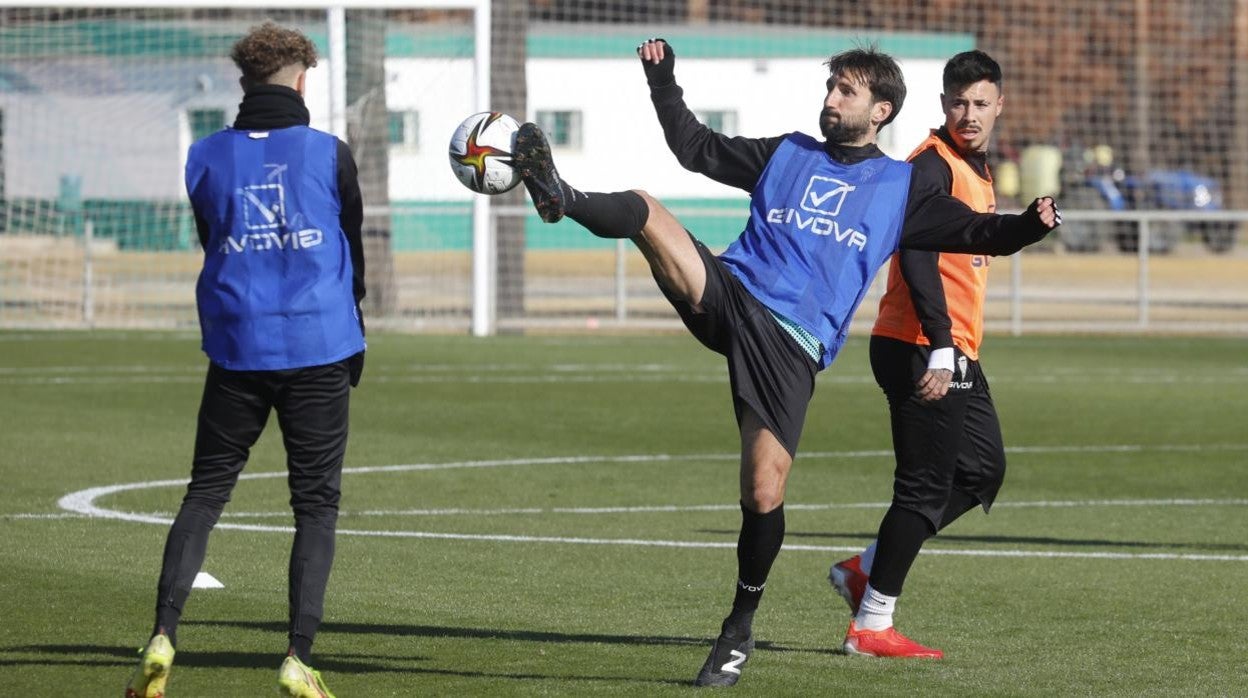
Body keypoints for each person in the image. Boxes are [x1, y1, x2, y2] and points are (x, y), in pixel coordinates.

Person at [510, 39, 1059, 688]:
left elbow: (977, 232)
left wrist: (1028, 224)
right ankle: (561, 197)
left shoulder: (899, 186)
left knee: (763, 492)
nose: (830, 100)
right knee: (644, 208)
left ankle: (738, 625)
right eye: (830, 89)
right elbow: (696, 148)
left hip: (791, 346)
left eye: (845, 92)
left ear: (881, 110)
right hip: (731, 296)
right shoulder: (787, 153)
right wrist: (663, 81)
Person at [125, 22, 364, 698]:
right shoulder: (329, 153)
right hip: (319, 344)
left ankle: (163, 636)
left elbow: (215, 238)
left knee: (206, 490)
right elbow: (354, 249)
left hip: (237, 344)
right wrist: (357, 329)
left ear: (242, 81)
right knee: (314, 504)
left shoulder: (204, 155)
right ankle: (296, 657)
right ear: (303, 79)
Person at [827, 49, 1009, 660]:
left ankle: (864, 571)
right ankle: (871, 623)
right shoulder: (932, 166)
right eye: (959, 102)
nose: (969, 113)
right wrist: (938, 346)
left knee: (981, 472)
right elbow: (914, 254)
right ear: (942, 104)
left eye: (981, 103)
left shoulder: (976, 168)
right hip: (921, 345)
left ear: (998, 105)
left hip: (954, 347)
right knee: (924, 489)